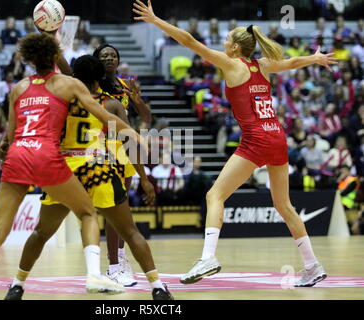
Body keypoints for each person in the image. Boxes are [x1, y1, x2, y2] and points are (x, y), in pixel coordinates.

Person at [133, 0, 337, 287]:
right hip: (277, 136)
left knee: (214, 196)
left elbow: (189, 40)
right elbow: (291, 63)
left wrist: (156, 21)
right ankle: (312, 265)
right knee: (284, 205)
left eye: (227, 39)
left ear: (235, 48)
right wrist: (314, 59)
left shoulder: (231, 64)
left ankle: (208, 257)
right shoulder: (263, 65)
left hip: (256, 139)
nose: (224, 42)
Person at [0, 33, 141, 300]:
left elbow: (9, 136)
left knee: (0, 231)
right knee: (88, 214)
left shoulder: (18, 88)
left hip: (18, 154)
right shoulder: (66, 85)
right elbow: (101, 111)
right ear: (54, 57)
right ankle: (94, 274)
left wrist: (2, 146)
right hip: (50, 156)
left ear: (28, 59)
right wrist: (135, 135)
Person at [4, 55, 172, 300]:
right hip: (98, 170)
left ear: (74, 77)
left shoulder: (58, 102)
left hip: (64, 173)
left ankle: (16, 285)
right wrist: (144, 179)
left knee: (41, 233)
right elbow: (129, 145)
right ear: (99, 79)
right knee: (131, 232)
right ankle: (157, 287)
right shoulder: (110, 104)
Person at [93, 43, 152, 282]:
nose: (109, 59)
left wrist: (137, 101)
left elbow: (146, 118)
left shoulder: (126, 84)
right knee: (113, 209)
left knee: (121, 208)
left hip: (123, 149)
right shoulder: (92, 84)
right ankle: (114, 264)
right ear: (97, 60)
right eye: (104, 55)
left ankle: (118, 261)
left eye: (113, 55)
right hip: (98, 147)